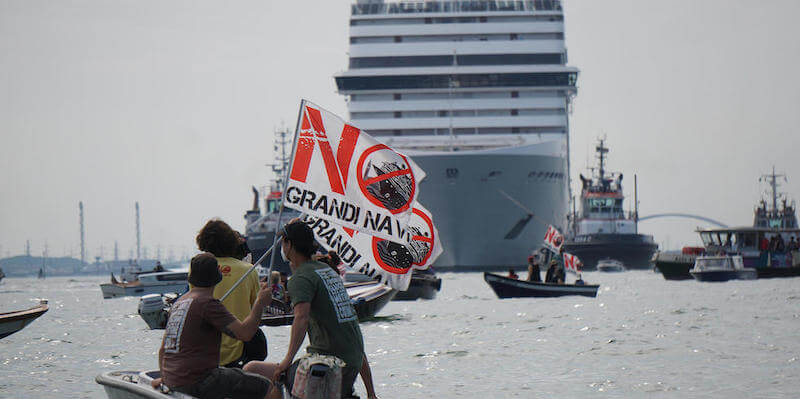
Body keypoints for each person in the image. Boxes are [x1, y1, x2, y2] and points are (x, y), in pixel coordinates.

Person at [243, 220, 378, 399]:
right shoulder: (328, 272)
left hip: (327, 366)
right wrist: (371, 393)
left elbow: (301, 318)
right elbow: (353, 334)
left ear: (289, 244)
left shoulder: (301, 277)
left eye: (283, 242)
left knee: (251, 369)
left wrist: (286, 361)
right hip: (350, 366)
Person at [152, 253, 272, 399]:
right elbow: (245, 334)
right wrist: (259, 303)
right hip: (199, 381)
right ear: (218, 277)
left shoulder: (179, 303)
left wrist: (165, 379)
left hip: (172, 380)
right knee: (266, 386)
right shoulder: (207, 304)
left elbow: (162, 351)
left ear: (191, 277)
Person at [195, 219, 267, 368]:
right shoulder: (248, 270)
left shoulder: (197, 269)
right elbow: (257, 311)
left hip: (206, 351)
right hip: (240, 350)